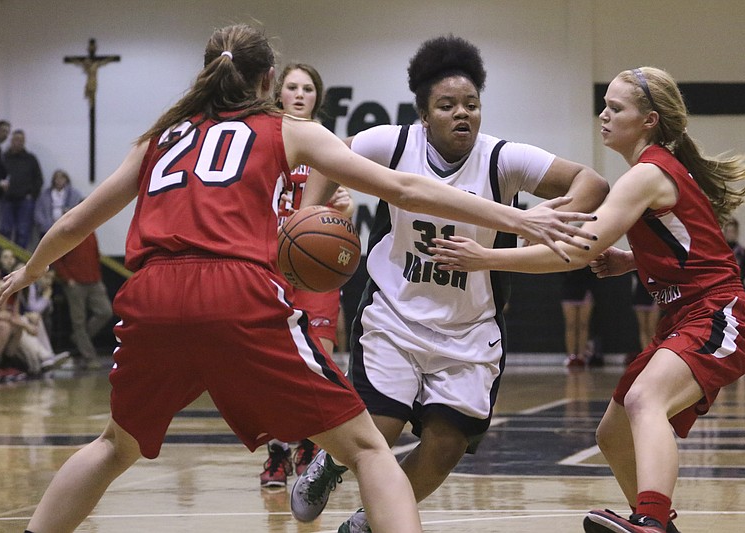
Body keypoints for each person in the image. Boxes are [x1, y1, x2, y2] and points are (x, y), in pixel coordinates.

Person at [0, 23, 597, 533]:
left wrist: (31, 268)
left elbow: (80, 217)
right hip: (235, 289)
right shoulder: (287, 130)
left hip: (150, 293)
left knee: (112, 446)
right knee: (364, 449)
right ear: (265, 83)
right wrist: (521, 219)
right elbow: (408, 187)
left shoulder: (161, 136)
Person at [290, 35, 609, 532]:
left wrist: (544, 217)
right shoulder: (391, 143)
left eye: (472, 104)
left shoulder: (502, 158)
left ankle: (371, 520)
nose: (463, 113)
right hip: (394, 312)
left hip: (469, 327)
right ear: (423, 114)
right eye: (447, 105)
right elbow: (327, 157)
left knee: (447, 445)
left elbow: (591, 182)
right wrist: (310, 213)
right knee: (381, 428)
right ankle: (328, 464)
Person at [428, 66, 745, 533]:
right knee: (613, 434)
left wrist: (486, 257)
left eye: (615, 108)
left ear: (648, 120)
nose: (602, 115)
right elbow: (690, 244)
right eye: (603, 105)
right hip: (686, 315)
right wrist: (632, 260)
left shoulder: (647, 173)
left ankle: (652, 520)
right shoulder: (651, 171)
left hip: (719, 313)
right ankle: (659, 523)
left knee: (646, 399)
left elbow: (577, 251)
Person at [259, 63, 355, 488]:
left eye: (308, 88)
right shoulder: (264, 136)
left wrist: (344, 209)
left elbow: (341, 201)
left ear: (319, 97)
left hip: (314, 268)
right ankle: (278, 452)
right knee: (273, 367)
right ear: (279, 92)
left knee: (321, 359)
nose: (299, 94)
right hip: (268, 265)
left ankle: (312, 443)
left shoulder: (325, 143)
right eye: (292, 87)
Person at [51, 231, 113, 370]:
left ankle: (79, 339)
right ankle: (89, 357)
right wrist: (68, 279)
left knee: (105, 312)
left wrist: (98, 276)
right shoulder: (65, 233)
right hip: (75, 284)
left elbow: (95, 253)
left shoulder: (91, 232)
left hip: (94, 280)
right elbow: (57, 258)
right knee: (78, 321)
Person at [0, 129, 43, 248]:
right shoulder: (3, 158)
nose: (18, 143)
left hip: (25, 201)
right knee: (5, 230)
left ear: (24, 142)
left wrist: (32, 195)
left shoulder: (30, 159)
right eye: (16, 140)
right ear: (11, 141)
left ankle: (19, 261)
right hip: (6, 200)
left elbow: (38, 179)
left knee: (23, 232)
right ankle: (5, 259)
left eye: (21, 140)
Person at [561, 266, 599, 367]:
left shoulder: (587, 256)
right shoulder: (566, 256)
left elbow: (593, 273)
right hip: (569, 290)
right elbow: (560, 271)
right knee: (570, 325)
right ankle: (571, 356)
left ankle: (582, 355)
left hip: (585, 290)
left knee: (583, 325)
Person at [34, 169, 84, 235]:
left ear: (66, 180)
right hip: (47, 228)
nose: (59, 181)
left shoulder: (74, 194)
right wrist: (45, 224)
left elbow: (80, 209)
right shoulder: (45, 195)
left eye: (62, 178)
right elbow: (38, 212)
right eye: (57, 178)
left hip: (67, 227)